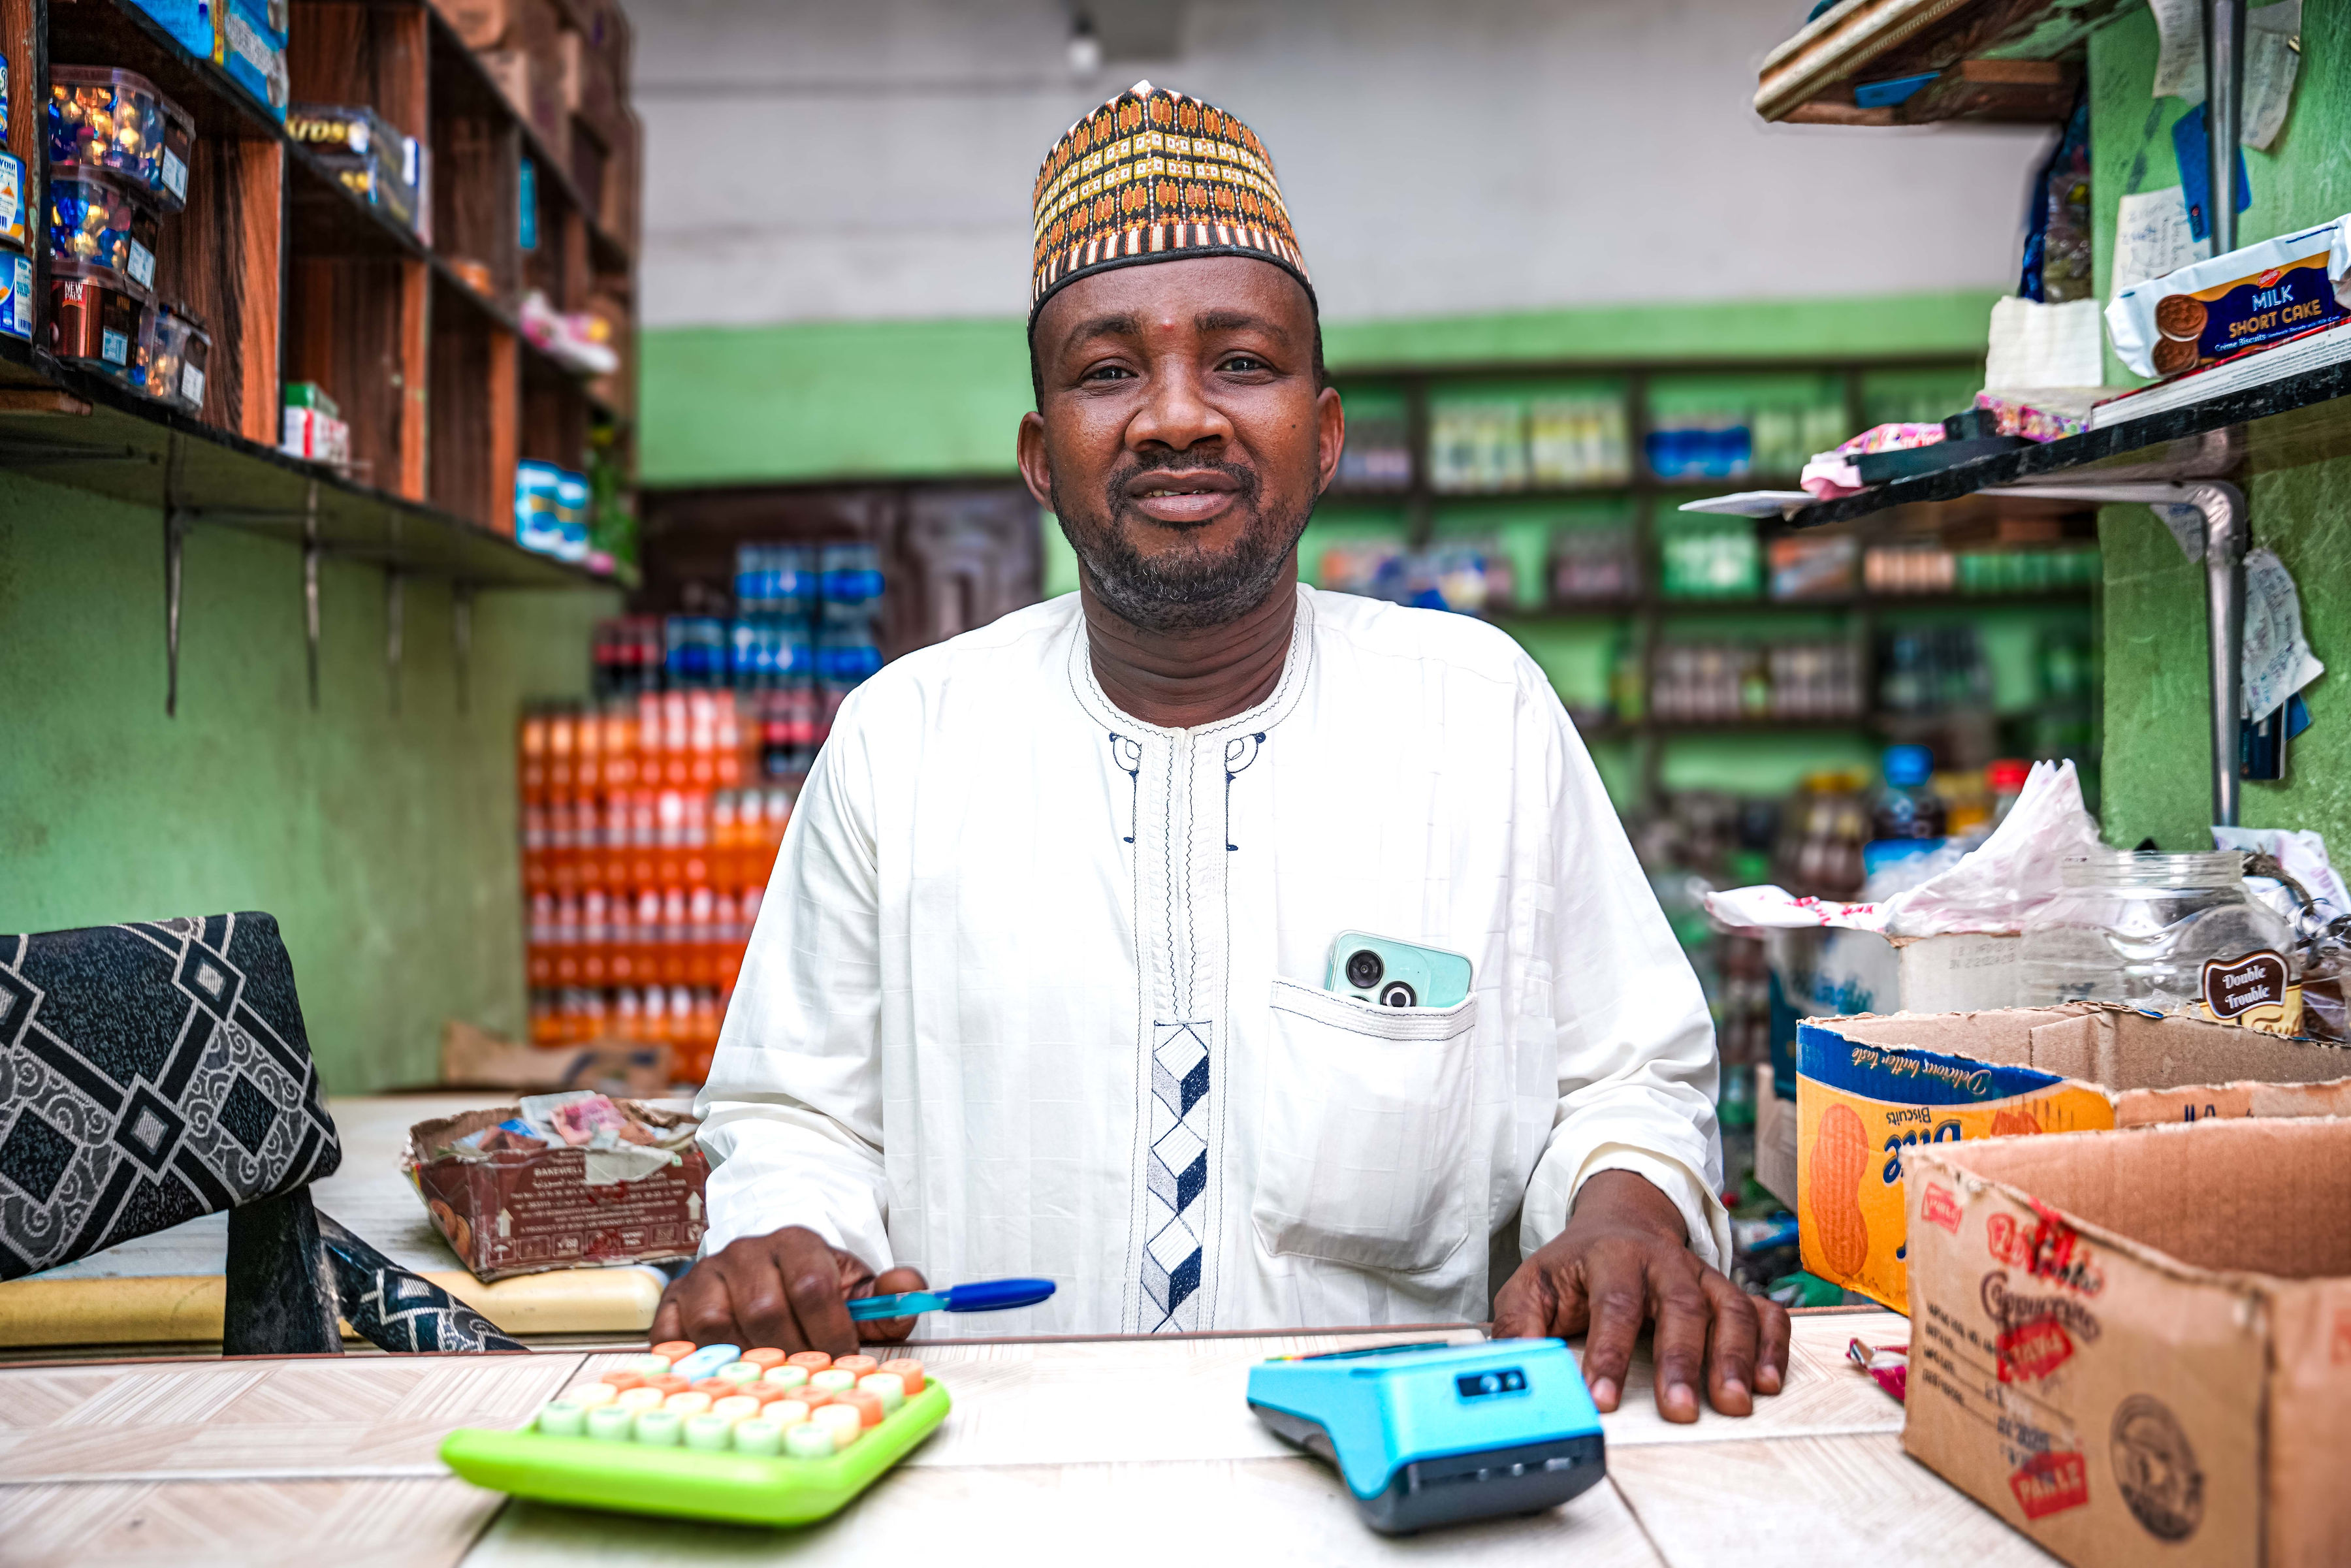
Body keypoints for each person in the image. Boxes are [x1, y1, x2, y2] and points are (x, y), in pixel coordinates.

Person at [656, 82, 1789, 1422]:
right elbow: (796, 1113)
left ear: (1324, 434)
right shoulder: (904, 740)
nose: (1177, 415)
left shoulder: (1479, 714)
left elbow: (1626, 1074)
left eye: (1241, 362)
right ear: (1040, 456)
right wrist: (791, 1236)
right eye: (1107, 370)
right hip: (987, 1478)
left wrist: (1625, 1213)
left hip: (1392, 1476)